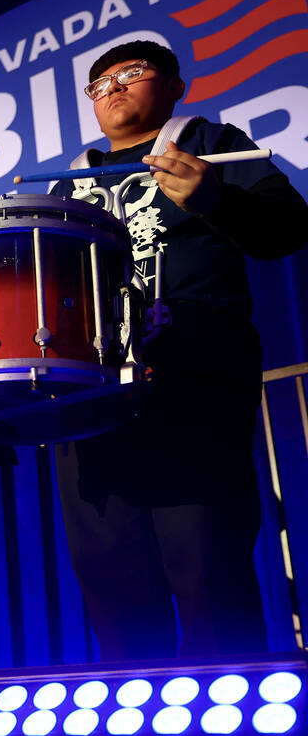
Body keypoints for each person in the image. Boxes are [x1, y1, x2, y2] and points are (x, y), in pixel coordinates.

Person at [51, 40, 308, 659]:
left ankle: (232, 728)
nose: (112, 87)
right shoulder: (65, 185)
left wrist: (214, 197)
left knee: (204, 557)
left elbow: (288, 228)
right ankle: (136, 729)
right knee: (109, 569)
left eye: (131, 73)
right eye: (99, 83)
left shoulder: (211, 142)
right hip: (93, 395)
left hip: (193, 372)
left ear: (174, 86)